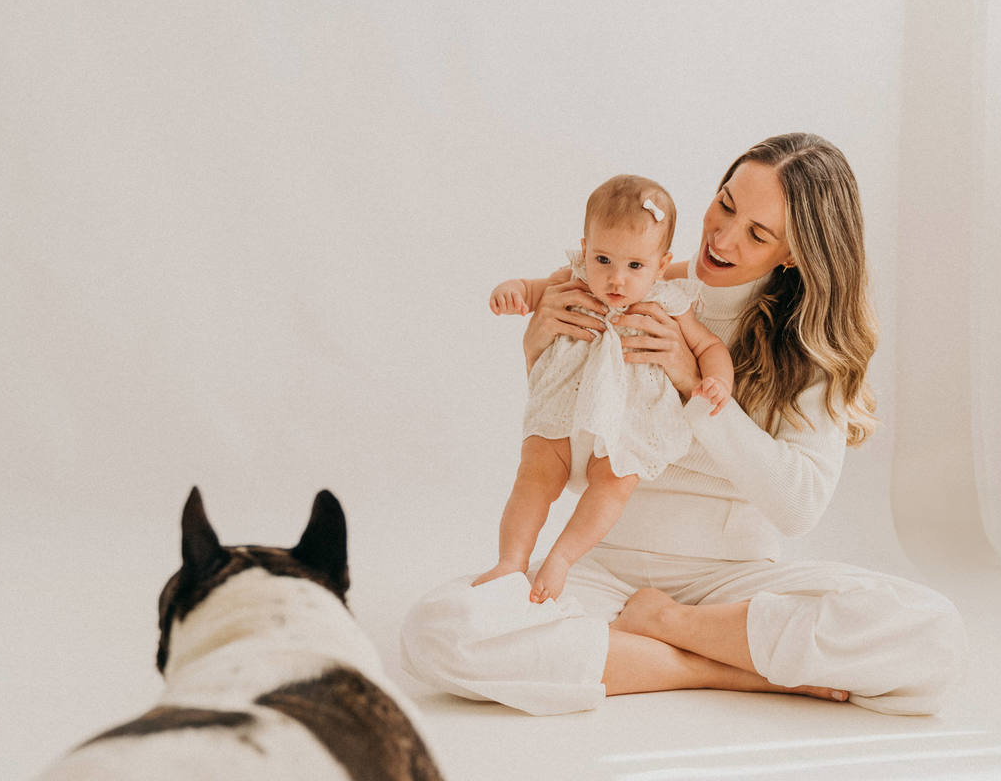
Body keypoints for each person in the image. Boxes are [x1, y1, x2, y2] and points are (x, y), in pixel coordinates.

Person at [402, 134, 967, 716]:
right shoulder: (624, 278)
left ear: (794, 254)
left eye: (757, 233)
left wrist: (692, 384)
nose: (721, 239)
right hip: (602, 563)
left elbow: (799, 507)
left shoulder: (807, 347)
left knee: (932, 636)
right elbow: (570, 470)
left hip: (730, 585)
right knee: (439, 630)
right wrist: (541, 355)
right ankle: (724, 670)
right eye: (725, 204)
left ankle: (669, 626)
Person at [475, 174, 733, 604]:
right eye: (603, 259)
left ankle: (561, 559)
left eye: (635, 266)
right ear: (585, 247)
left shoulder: (668, 299)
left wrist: (717, 379)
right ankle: (511, 561)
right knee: (533, 476)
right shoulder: (572, 278)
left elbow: (709, 344)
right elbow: (531, 289)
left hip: (625, 422)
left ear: (661, 261)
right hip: (561, 410)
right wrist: (511, 292)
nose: (616, 279)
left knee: (613, 485)